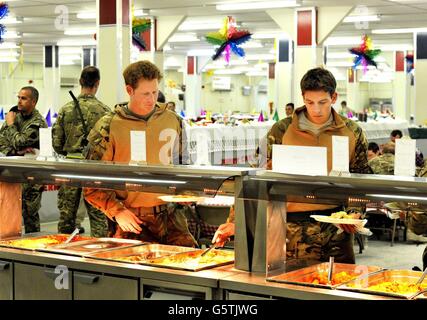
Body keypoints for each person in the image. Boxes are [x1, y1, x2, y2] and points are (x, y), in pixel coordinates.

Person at [213, 67, 372, 264]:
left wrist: (354, 213)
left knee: (338, 287)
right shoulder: (281, 130)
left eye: (322, 102)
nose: (316, 109)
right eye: (309, 102)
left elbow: (361, 180)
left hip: (336, 233)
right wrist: (235, 222)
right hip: (288, 230)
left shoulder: (352, 132)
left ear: (334, 97)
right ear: (302, 98)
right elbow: (252, 176)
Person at [83, 60, 196, 247]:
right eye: (145, 94)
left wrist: (188, 192)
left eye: (154, 92)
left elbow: (183, 166)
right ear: (129, 90)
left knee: (190, 266)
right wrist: (117, 211)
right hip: (130, 218)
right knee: (128, 272)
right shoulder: (108, 126)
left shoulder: (172, 120)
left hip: (170, 217)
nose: (151, 99)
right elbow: (90, 184)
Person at [52, 66, 110, 237]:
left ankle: (64, 256)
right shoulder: (105, 111)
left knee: (66, 218)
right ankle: (99, 258)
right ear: (97, 83)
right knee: (98, 217)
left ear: (80, 82)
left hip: (69, 168)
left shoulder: (66, 109)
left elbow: (56, 143)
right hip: (94, 171)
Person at [0, 86, 47, 233]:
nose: (19, 101)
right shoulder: (15, 116)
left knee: (30, 217)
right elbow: (1, 141)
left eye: (23, 98)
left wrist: (11, 126)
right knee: (9, 214)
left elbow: (20, 141)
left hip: (31, 178)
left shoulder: (38, 122)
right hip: (13, 176)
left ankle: (35, 250)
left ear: (33, 102)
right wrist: (15, 151)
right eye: (18, 97)